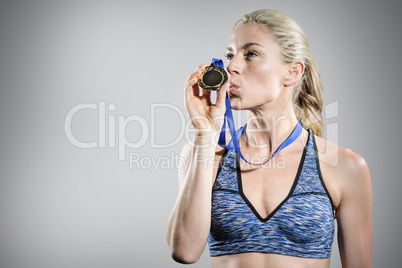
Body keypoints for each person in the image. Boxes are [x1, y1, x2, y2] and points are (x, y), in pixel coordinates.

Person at [166, 9, 372, 268]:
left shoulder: (345, 167)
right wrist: (205, 135)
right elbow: (184, 251)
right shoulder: (205, 152)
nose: (231, 67)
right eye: (230, 55)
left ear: (293, 72)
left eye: (250, 54)